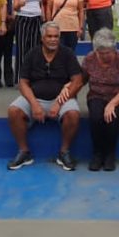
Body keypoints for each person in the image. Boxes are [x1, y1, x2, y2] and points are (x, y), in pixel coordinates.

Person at [7, 22, 84, 171]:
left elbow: (77, 81)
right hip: (35, 97)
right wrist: (34, 104)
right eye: (49, 36)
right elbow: (23, 82)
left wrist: (59, 103)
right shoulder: (32, 54)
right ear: (42, 38)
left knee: (73, 114)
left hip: (62, 98)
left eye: (56, 36)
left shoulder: (67, 54)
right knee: (13, 111)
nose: (53, 39)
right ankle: (24, 152)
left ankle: (64, 152)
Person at [80, 28, 119, 171]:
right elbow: (81, 79)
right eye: (101, 53)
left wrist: (112, 103)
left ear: (114, 49)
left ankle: (110, 154)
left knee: (112, 117)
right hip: (97, 95)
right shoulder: (89, 58)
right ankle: (97, 154)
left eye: (108, 53)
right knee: (96, 117)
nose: (105, 56)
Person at [12, 0, 45, 86]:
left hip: (36, 19)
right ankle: (21, 78)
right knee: (22, 49)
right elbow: (15, 6)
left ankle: (33, 77)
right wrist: (20, 3)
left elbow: (40, 4)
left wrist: (43, 17)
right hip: (23, 19)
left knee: (35, 49)